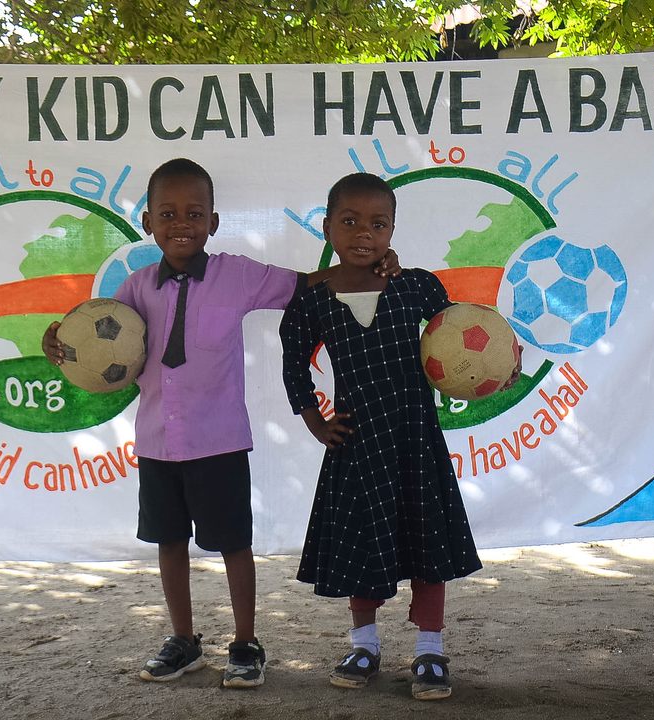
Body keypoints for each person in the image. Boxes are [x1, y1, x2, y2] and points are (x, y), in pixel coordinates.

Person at [43, 159, 399, 689]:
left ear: (213, 222)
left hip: (220, 440)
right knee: (169, 542)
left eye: (194, 213)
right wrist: (57, 342)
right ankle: (183, 640)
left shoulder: (237, 275)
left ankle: (246, 643)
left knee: (234, 544)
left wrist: (373, 270)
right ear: (148, 222)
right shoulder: (134, 290)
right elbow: (96, 340)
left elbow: (305, 285)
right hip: (159, 442)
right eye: (167, 214)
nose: (181, 224)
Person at [279, 172, 520, 700]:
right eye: (349, 221)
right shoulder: (312, 303)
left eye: (378, 224)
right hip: (358, 444)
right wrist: (316, 422)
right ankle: (363, 645)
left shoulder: (416, 287)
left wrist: (500, 363)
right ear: (327, 227)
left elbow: (461, 340)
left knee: (427, 543)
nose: (363, 233)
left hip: (414, 439)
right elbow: (294, 365)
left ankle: (430, 650)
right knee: (362, 544)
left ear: (392, 230)